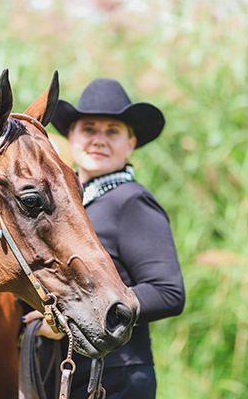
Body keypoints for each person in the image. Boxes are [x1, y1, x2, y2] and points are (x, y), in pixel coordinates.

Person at [23, 78, 185, 399]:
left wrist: (66, 320)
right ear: (71, 137)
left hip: (114, 380)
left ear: (130, 143)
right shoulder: (71, 208)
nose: (99, 139)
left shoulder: (131, 201)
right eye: (89, 129)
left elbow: (168, 292)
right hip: (68, 376)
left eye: (112, 131)